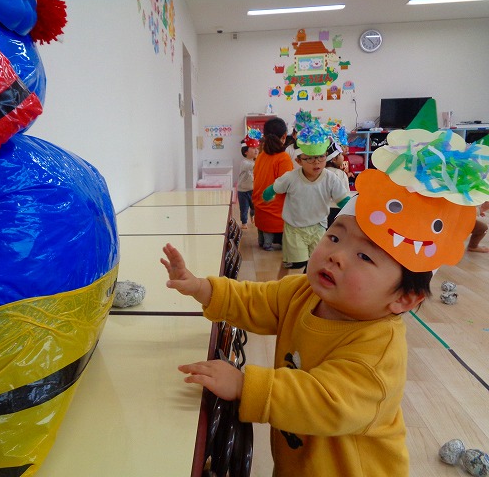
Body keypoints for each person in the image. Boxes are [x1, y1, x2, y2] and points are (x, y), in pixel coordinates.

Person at [161, 124, 488, 477]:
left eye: (365, 257)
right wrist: (202, 288)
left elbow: (325, 400)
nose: (337, 256)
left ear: (405, 298)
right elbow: (255, 299)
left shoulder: (378, 355)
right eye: (334, 237)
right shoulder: (303, 291)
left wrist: (244, 386)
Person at [263, 121, 350, 279]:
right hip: (295, 229)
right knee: (294, 266)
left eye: (320, 157)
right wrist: (268, 195)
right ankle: (280, 286)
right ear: (299, 161)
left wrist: (354, 214)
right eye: (309, 158)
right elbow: (275, 187)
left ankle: (308, 288)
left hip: (319, 227)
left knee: (316, 262)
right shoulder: (291, 178)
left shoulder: (331, 178)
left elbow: (343, 199)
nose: (316, 162)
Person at [252, 117, 293, 251]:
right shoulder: (283, 158)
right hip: (276, 213)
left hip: (260, 209)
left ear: (264, 136)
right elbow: (286, 185)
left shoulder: (261, 156)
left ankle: (264, 240)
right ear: (284, 136)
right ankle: (273, 241)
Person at [324, 137, 351, 227]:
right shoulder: (340, 174)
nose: (343, 157)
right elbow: (345, 194)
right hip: (337, 209)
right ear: (334, 159)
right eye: (341, 155)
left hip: (323, 210)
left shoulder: (321, 173)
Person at [237, 132, 259, 229]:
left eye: (257, 148)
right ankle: (244, 222)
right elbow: (253, 166)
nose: (256, 150)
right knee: (244, 207)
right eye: (253, 148)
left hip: (252, 188)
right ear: (246, 152)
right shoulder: (244, 162)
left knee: (253, 206)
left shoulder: (255, 161)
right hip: (243, 190)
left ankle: (252, 216)